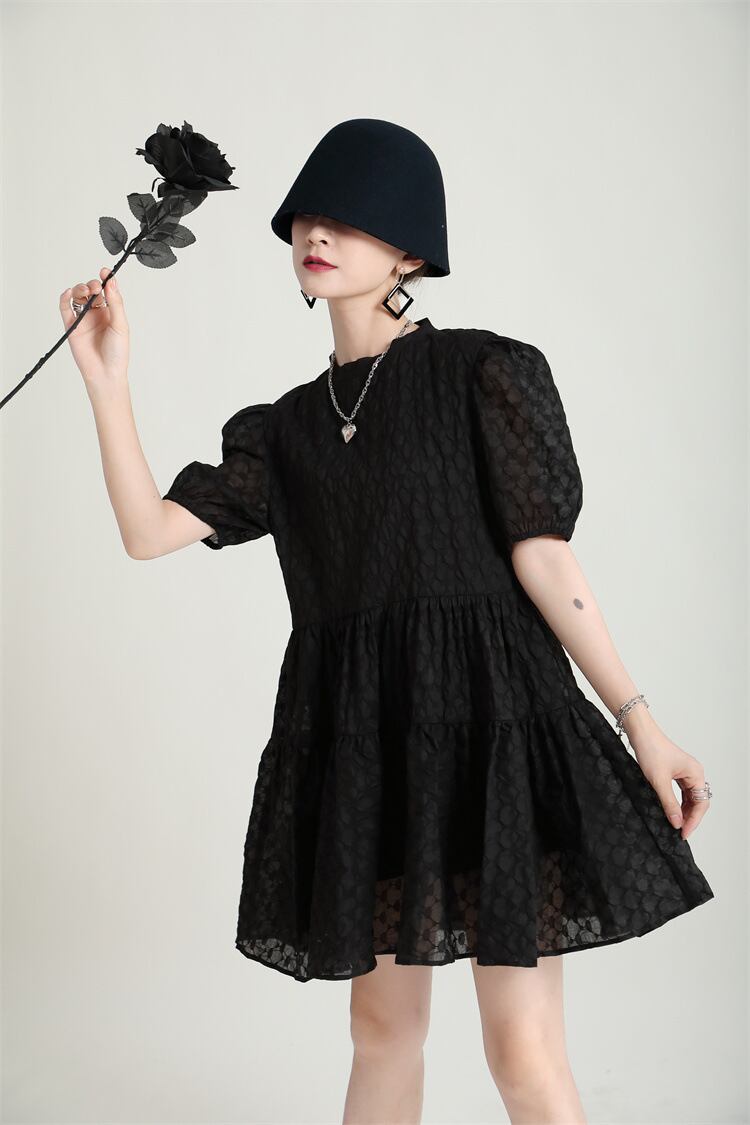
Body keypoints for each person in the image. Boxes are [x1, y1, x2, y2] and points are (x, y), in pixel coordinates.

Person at [60, 118, 714, 1125]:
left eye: (351, 219)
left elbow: (544, 556)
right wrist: (108, 383)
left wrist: (640, 721)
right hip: (366, 748)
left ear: (410, 252)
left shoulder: (483, 372)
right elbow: (148, 532)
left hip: (495, 734)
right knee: (380, 1033)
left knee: (521, 1048)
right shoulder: (284, 432)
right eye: (305, 217)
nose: (318, 233)